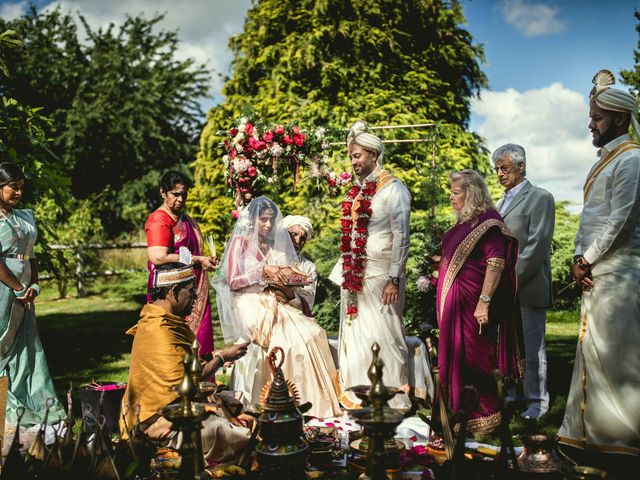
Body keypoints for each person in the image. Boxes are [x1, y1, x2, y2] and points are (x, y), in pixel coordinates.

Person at [558, 70, 640, 457]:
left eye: (597, 118)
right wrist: (579, 257)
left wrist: (586, 259)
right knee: (596, 352)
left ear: (620, 119)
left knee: (621, 357)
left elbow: (619, 220)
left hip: (621, 273)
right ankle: (593, 433)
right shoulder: (608, 160)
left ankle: (623, 437)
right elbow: (589, 218)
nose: (590, 124)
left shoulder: (632, 160)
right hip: (597, 271)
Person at [213, 197, 341, 419]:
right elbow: (233, 281)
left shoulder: (275, 247)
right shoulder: (241, 243)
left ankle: (309, 402)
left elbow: (283, 282)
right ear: (253, 221)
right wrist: (263, 273)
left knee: (314, 333)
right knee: (290, 340)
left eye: (271, 220)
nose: (269, 225)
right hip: (247, 301)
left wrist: (286, 281)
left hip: (272, 301)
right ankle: (278, 401)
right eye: (263, 220)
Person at [120, 262, 250, 463]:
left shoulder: (162, 319)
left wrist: (212, 355)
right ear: (174, 291)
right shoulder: (159, 329)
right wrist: (222, 358)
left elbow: (185, 363)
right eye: (192, 292)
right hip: (154, 423)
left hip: (175, 407)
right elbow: (185, 383)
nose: (196, 299)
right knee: (220, 430)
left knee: (237, 401)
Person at [329, 122, 411, 410]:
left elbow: (402, 236)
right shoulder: (360, 190)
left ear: (374, 155)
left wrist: (394, 279)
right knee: (355, 336)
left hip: (381, 278)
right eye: (351, 156)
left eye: (358, 156)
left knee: (385, 336)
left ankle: (392, 400)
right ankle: (358, 396)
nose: (353, 162)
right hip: (354, 276)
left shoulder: (394, 189)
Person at [436, 170, 523, 434]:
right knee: (456, 358)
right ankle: (462, 414)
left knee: (475, 358)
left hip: (473, 306)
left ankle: (486, 416)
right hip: (455, 307)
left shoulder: (488, 222)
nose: (451, 197)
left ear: (471, 192)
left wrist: (484, 302)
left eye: (456, 192)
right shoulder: (464, 224)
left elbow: (496, 262)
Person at [0, 162, 65, 426]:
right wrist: (17, 287)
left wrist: (33, 286)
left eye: (21, 188)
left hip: (25, 290)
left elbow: (32, 256)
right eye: (13, 187)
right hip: (5, 289)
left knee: (27, 348)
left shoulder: (24, 216)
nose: (18, 193)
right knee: (4, 344)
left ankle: (34, 399)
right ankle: (6, 403)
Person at [493, 144, 555, 420]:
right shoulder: (499, 202)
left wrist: (511, 279)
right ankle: (513, 397)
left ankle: (537, 403)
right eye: (496, 168)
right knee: (508, 346)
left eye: (504, 168)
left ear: (521, 166)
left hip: (527, 285)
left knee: (532, 347)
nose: (499, 174)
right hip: (502, 288)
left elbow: (538, 244)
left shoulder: (541, 197)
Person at [145, 171, 216, 356]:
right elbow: (158, 257)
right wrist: (198, 260)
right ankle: (175, 381)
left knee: (200, 340)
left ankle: (201, 382)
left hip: (194, 287)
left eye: (184, 194)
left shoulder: (185, 220)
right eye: (175, 194)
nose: (181, 199)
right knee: (171, 341)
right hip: (171, 292)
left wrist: (204, 259)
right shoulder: (159, 219)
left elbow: (189, 251)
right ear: (163, 192)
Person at [281, 215, 317, 316]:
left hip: (295, 316)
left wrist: (289, 291)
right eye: (293, 235)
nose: (297, 241)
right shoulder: (269, 256)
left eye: (302, 238)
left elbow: (308, 303)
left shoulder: (309, 267)